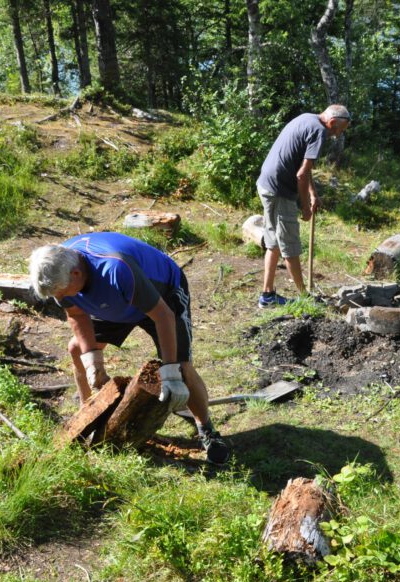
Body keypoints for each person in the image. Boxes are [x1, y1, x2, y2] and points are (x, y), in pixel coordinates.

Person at [29, 232, 230, 464]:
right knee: (77, 350)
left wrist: (171, 373)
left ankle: (207, 430)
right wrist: (93, 363)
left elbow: (163, 315)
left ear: (77, 273)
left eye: (62, 293)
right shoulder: (57, 271)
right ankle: (87, 414)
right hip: (114, 300)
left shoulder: (115, 268)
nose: (61, 298)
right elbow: (76, 315)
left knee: (183, 368)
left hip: (162, 296)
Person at [256, 104, 351, 308]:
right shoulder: (319, 132)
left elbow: (303, 168)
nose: (336, 135)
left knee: (273, 242)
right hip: (280, 191)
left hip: (266, 183)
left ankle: (267, 296)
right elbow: (301, 174)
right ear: (332, 122)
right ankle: (305, 298)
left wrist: (313, 194)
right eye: (338, 130)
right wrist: (305, 207)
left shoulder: (307, 118)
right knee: (290, 245)